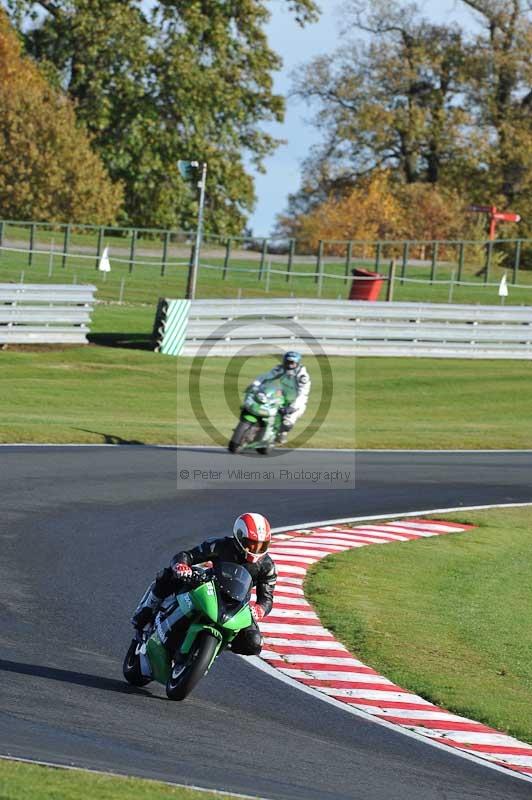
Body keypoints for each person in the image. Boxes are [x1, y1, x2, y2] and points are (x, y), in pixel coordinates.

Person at [131, 512, 276, 657]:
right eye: (251, 543)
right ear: (239, 537)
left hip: (236, 605)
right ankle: (148, 608)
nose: (256, 549)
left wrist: (260, 608)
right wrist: (182, 565)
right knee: (169, 575)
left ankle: (216, 647)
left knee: (254, 643)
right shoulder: (220, 545)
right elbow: (189, 555)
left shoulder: (267, 566)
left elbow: (267, 597)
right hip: (208, 587)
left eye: (261, 545)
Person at [251, 351, 311, 444]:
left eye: (292, 363)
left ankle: (281, 433)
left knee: (286, 424)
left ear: (297, 363)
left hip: (297, 402)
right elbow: (266, 376)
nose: (289, 365)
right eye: (287, 362)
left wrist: (293, 407)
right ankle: (253, 427)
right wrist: (255, 385)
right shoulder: (280, 368)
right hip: (282, 396)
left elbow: (303, 394)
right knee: (264, 406)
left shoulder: (302, 376)